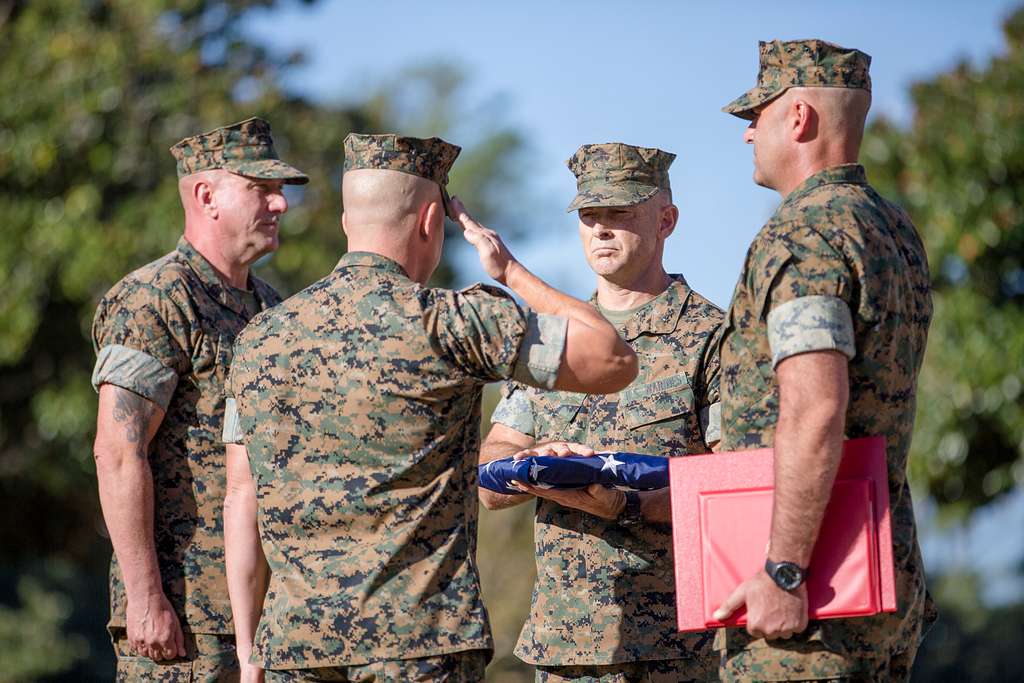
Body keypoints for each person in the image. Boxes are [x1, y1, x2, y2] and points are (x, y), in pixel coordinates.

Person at [222, 133, 638, 682]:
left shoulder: (259, 340)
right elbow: (613, 360)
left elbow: (240, 492)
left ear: (349, 224)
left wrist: (250, 651)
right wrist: (509, 271)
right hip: (418, 646)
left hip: (295, 650)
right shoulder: (448, 322)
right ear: (429, 222)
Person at [710, 40, 936, 682]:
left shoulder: (806, 232)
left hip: (812, 613)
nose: (749, 133)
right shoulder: (891, 228)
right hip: (881, 587)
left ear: (800, 118)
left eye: (757, 114)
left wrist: (783, 572)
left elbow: (815, 408)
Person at [480, 142, 723, 683]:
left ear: (666, 220)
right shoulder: (551, 338)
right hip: (563, 648)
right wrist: (533, 466)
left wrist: (626, 507)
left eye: (620, 214)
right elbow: (490, 480)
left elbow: (736, 484)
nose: (601, 230)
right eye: (590, 216)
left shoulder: (712, 336)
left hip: (675, 651)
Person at [91, 117, 308, 679]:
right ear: (206, 196)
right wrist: (144, 598)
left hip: (265, 619)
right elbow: (117, 452)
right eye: (262, 188)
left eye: (280, 190)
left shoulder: (271, 310)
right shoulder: (155, 300)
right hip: (185, 619)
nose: (280, 204)